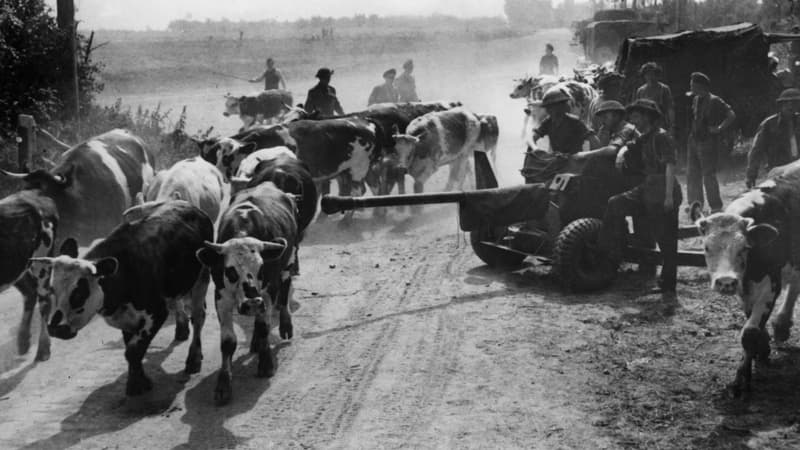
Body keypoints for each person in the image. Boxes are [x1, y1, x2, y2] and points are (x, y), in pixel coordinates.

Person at [599, 99, 682, 294]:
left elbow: (670, 166)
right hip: (648, 186)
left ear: (647, 116)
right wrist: (626, 150)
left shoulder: (662, 137)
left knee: (666, 241)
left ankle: (668, 285)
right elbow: (630, 150)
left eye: (636, 116)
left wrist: (668, 196)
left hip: (663, 187)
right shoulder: (645, 137)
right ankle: (609, 254)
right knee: (615, 203)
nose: (632, 120)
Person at [686, 72, 736, 213]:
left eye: (692, 84)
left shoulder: (715, 100)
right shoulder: (695, 99)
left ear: (700, 85)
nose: (690, 87)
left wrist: (719, 128)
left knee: (708, 175)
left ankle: (715, 206)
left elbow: (731, 115)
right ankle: (696, 205)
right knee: (692, 174)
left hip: (707, 141)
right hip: (693, 140)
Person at [746, 88, 800, 188]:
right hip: (778, 173)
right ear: (781, 105)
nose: (791, 106)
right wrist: (751, 174)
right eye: (787, 103)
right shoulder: (769, 124)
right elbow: (756, 150)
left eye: (795, 103)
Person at [529, 89, 599, 154]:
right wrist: (535, 148)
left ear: (561, 107)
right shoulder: (548, 122)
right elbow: (534, 137)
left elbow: (592, 138)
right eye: (548, 107)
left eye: (551, 107)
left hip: (574, 160)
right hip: (557, 159)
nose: (548, 110)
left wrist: (595, 156)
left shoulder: (575, 122)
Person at [634, 62, 674, 131]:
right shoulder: (640, 91)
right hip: (644, 124)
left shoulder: (663, 89)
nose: (650, 77)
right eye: (647, 74)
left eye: (652, 74)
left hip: (659, 123)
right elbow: (637, 109)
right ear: (644, 75)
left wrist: (671, 125)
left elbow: (669, 108)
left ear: (657, 75)